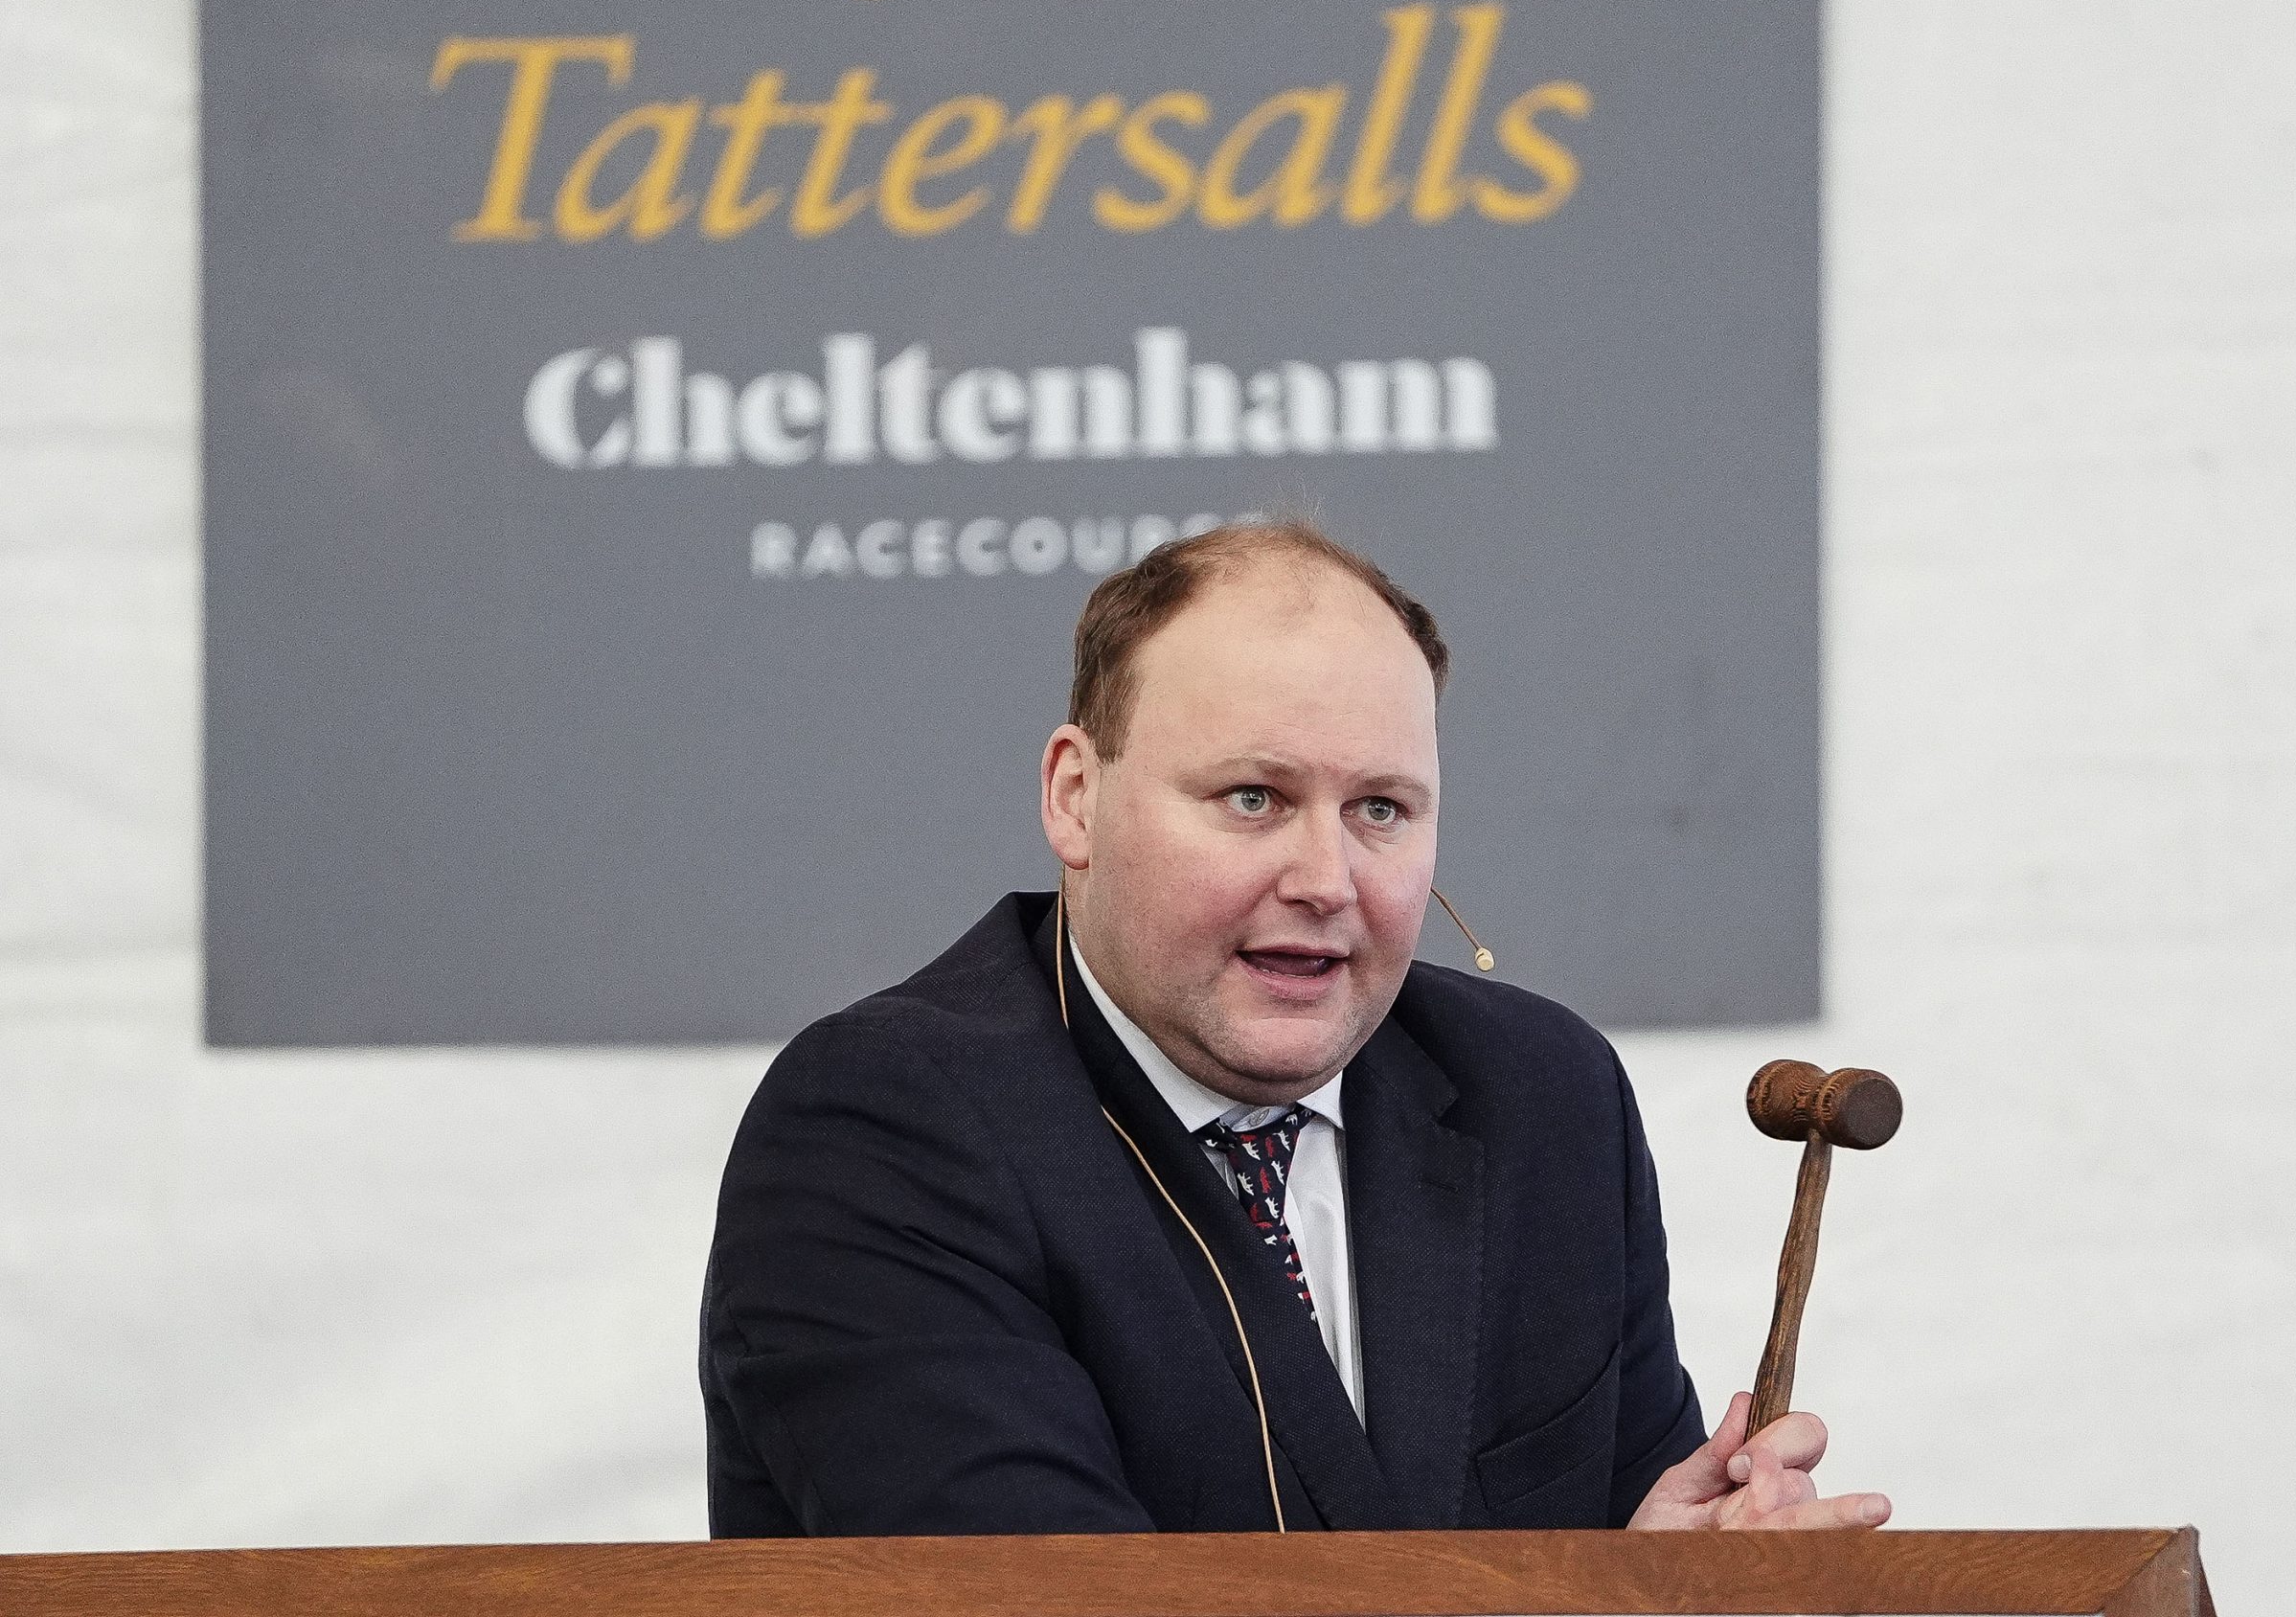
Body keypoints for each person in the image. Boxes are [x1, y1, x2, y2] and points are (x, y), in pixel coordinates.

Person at [702, 521, 1890, 1537]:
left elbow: (1621, 1538)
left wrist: (1664, 1582)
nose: (1325, 878)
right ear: (1076, 794)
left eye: (1380, 807)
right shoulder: (880, 1127)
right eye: (1253, 796)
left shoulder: (1539, 1094)